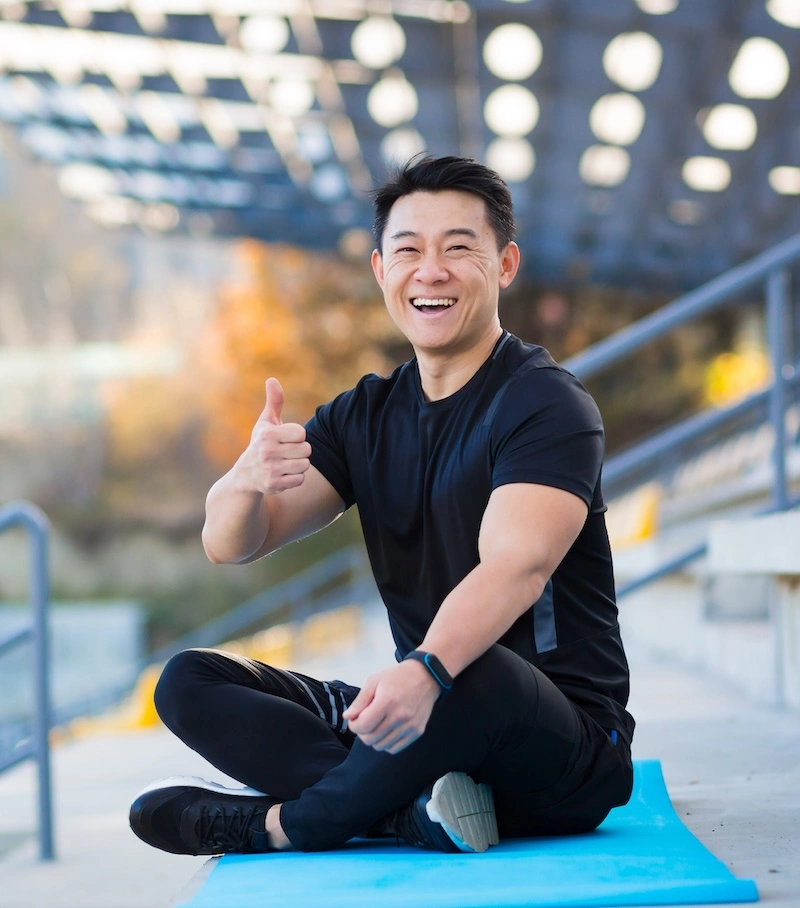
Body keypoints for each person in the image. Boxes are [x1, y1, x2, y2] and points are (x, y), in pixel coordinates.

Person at [129, 155, 635, 858]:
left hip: (560, 742)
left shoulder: (548, 404)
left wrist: (426, 671)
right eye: (408, 251)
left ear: (506, 264)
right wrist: (244, 480)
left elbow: (517, 568)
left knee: (472, 668)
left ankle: (279, 826)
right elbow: (234, 542)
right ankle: (413, 813)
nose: (431, 270)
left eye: (459, 248)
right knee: (189, 680)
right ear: (381, 272)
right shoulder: (364, 415)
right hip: (425, 721)